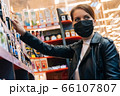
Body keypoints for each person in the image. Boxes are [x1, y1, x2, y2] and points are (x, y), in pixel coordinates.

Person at [12, 4, 120, 80]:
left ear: (94, 22)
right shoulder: (76, 48)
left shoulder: (105, 45)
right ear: (73, 24)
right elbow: (48, 49)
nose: (82, 21)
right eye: (77, 19)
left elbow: (114, 80)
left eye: (86, 17)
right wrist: (24, 33)